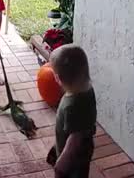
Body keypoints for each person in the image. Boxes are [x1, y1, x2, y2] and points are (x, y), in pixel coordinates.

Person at [46, 44, 98, 178]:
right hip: (84, 149)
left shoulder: (72, 106)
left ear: (57, 79)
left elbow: (75, 139)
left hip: (74, 157)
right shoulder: (87, 90)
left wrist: (61, 165)